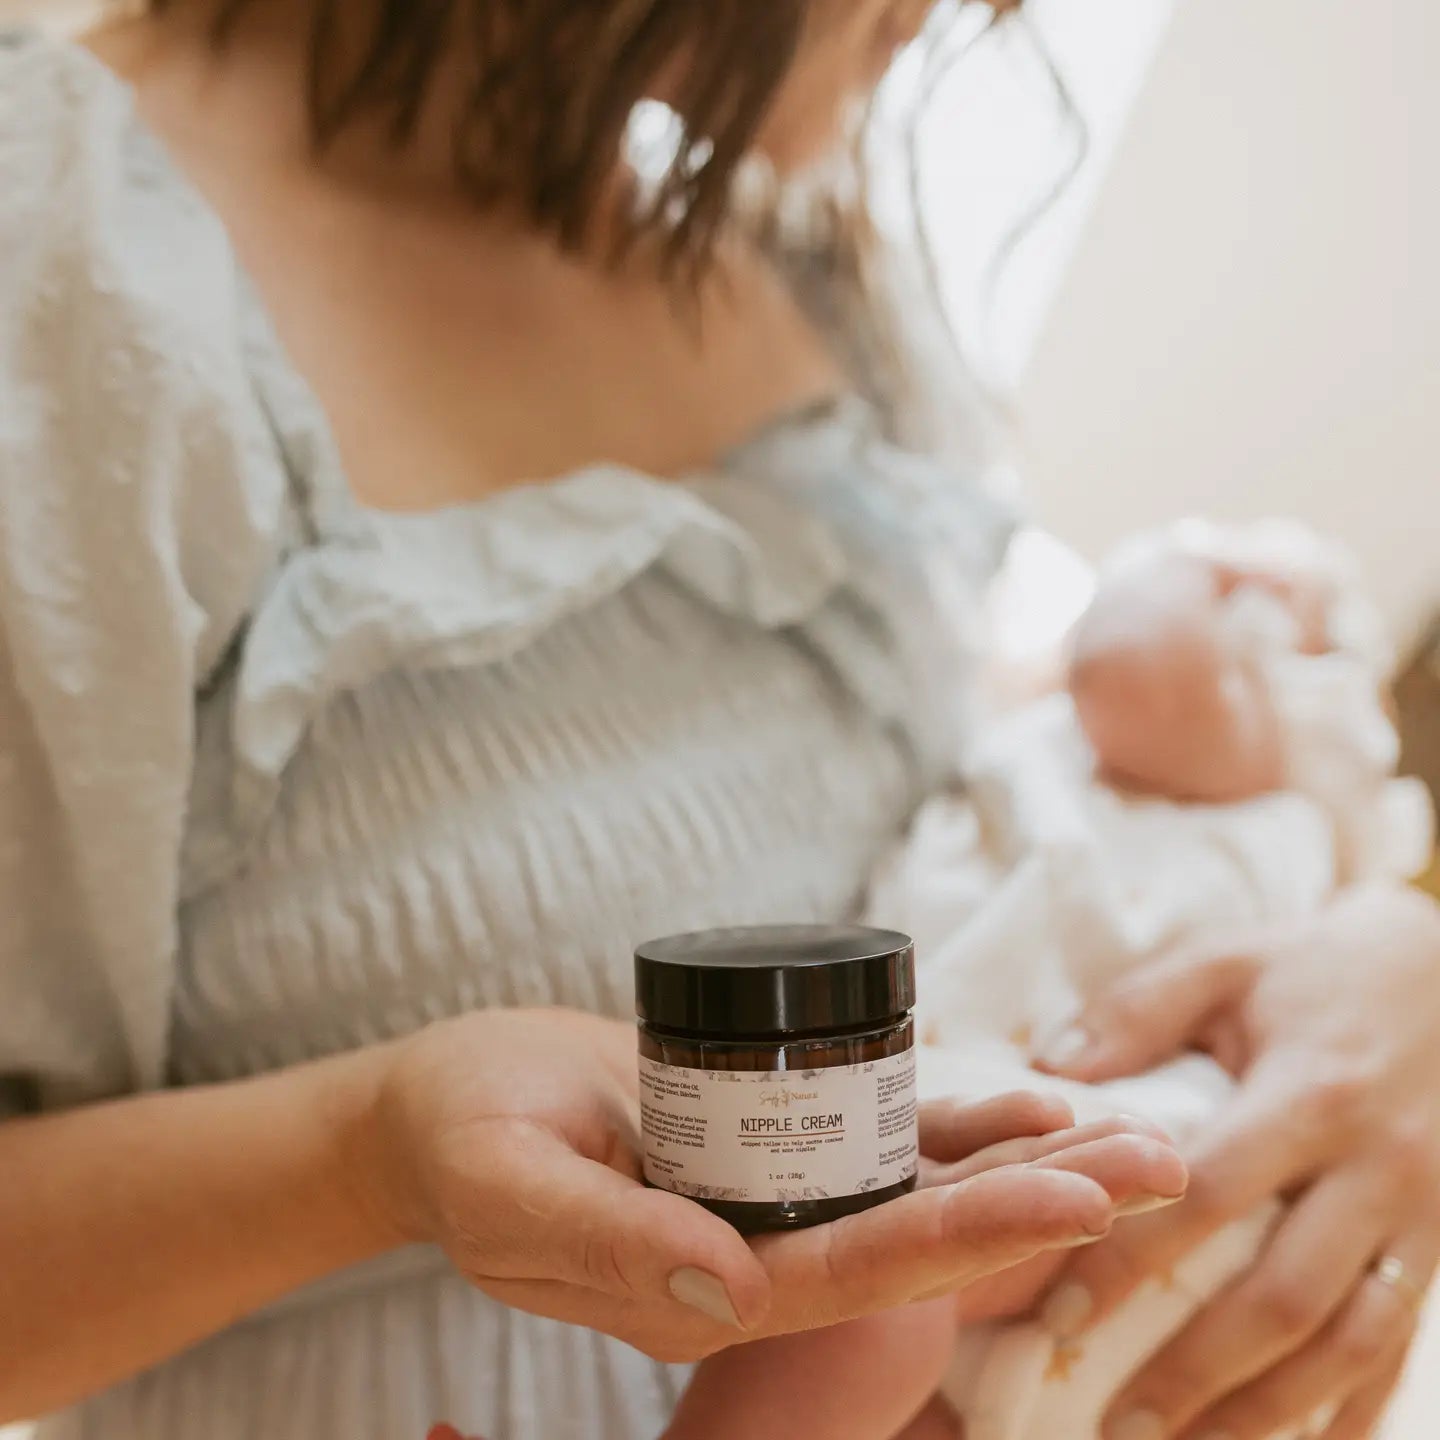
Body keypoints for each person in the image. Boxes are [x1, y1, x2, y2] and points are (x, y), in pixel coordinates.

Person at [0, 4, 1437, 1440]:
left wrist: (1382, 950)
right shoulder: (60, 282)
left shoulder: (795, 253)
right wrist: (365, 1152)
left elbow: (970, 770)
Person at [653, 519, 1435, 1440]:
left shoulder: (1269, 782)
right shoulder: (1056, 729)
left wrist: (1195, 570)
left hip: (1102, 1153)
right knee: (900, 1322)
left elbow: (1133, 669)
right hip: (1048, 1205)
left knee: (885, 1280)